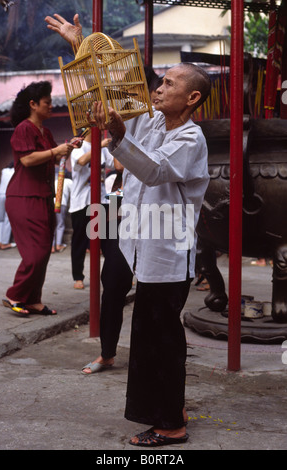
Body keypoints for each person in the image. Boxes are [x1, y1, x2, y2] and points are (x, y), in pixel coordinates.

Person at [91, 62, 211, 447]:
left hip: (167, 254)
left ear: (192, 98)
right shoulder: (155, 123)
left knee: (160, 339)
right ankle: (168, 410)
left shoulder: (191, 139)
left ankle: (171, 424)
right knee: (150, 335)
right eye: (160, 82)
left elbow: (155, 170)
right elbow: (117, 91)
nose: (158, 89)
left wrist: (119, 137)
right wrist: (81, 46)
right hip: (142, 246)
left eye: (169, 84)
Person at [2, 81, 77, 316]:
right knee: (34, 253)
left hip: (44, 196)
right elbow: (27, 160)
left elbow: (54, 159)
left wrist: (69, 147)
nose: (51, 106)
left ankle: (33, 299)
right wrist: (56, 151)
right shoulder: (24, 128)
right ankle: (15, 294)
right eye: (47, 102)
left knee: (44, 251)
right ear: (33, 105)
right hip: (24, 197)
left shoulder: (46, 131)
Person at [69, 131, 114, 289]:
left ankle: (113, 274)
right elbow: (81, 161)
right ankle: (78, 277)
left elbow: (114, 164)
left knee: (106, 240)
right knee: (80, 241)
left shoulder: (104, 148)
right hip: (81, 201)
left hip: (100, 199)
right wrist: (99, 145)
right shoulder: (78, 146)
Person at [0, 162, 16, 250]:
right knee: (8, 219)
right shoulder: (16, 171)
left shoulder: (4, 170)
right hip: (9, 195)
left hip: (0, 195)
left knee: (0, 219)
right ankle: (4, 243)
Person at [52, 173, 72, 253]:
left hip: (52, 202)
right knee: (60, 224)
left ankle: (52, 246)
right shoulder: (69, 181)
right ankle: (58, 245)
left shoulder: (56, 181)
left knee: (52, 225)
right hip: (61, 203)